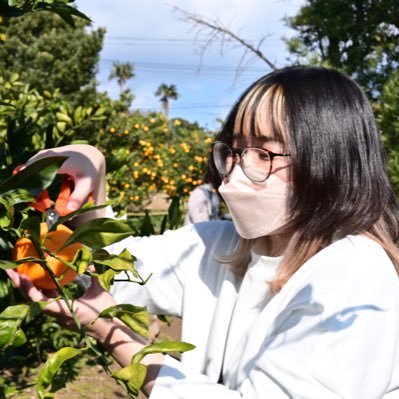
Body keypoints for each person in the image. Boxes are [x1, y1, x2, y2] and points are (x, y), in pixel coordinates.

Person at [7, 66, 399, 398]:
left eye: (264, 153)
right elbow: (113, 271)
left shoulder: (356, 275)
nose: (234, 172)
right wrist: (92, 170)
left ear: (329, 162)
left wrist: (115, 333)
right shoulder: (219, 246)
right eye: (234, 150)